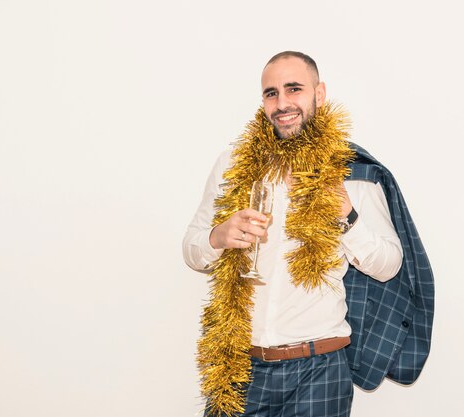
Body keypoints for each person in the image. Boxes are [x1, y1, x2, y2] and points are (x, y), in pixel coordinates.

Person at [182, 51, 434, 417]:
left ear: (319, 94)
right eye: (271, 93)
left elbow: (389, 265)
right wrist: (218, 237)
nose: (282, 103)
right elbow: (192, 248)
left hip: (318, 369)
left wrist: (346, 217)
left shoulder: (352, 172)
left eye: (294, 89)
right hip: (237, 366)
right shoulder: (234, 164)